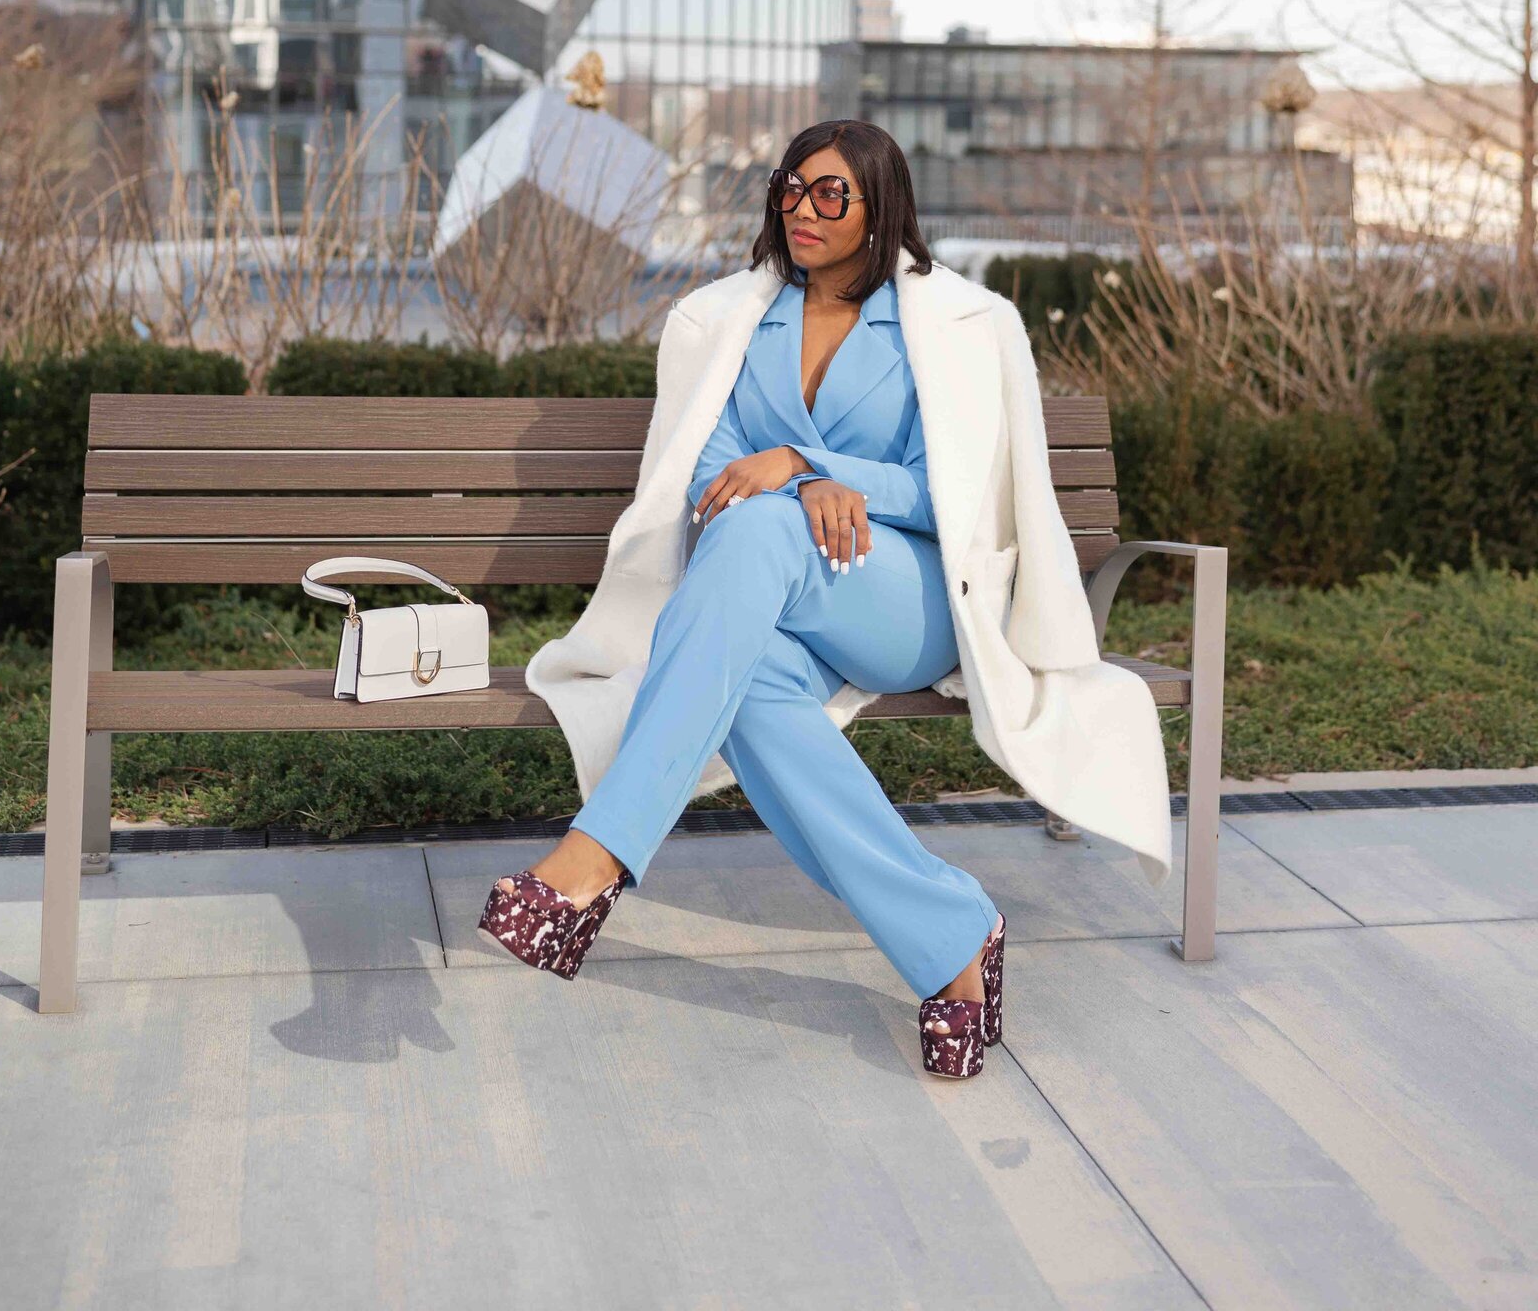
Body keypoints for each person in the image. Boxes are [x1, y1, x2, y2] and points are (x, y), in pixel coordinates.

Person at [481, 119, 1171, 1081]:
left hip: (911, 599)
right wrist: (799, 487)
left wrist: (813, 466)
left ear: (881, 205)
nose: (802, 209)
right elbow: (707, 470)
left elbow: (958, 492)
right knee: (755, 681)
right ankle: (953, 942)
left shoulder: (959, 327)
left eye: (830, 194)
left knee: (761, 527)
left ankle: (597, 852)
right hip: (778, 599)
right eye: (790, 189)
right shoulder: (728, 323)